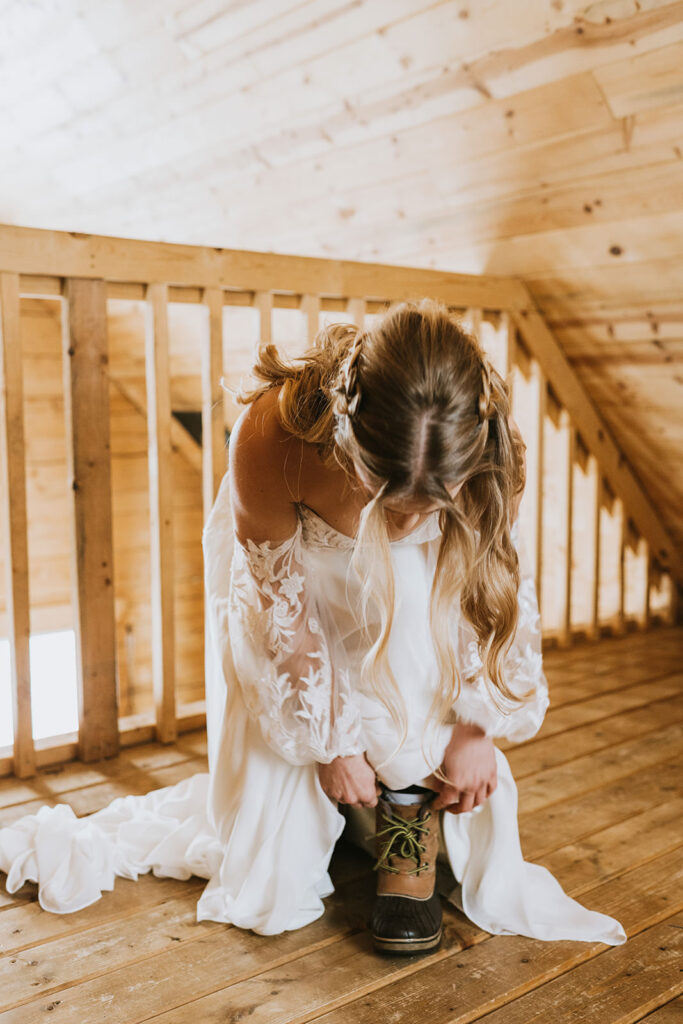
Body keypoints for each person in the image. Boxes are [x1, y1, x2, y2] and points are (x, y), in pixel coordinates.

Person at [0, 299, 626, 954]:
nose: (406, 525)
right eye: (388, 496)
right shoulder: (273, 435)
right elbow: (280, 608)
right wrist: (331, 741)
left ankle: (405, 807)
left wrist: (475, 728)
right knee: (275, 884)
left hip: (431, 589)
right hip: (304, 574)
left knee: (417, 620)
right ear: (347, 442)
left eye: (428, 505)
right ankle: (337, 799)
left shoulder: (484, 448)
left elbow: (488, 591)